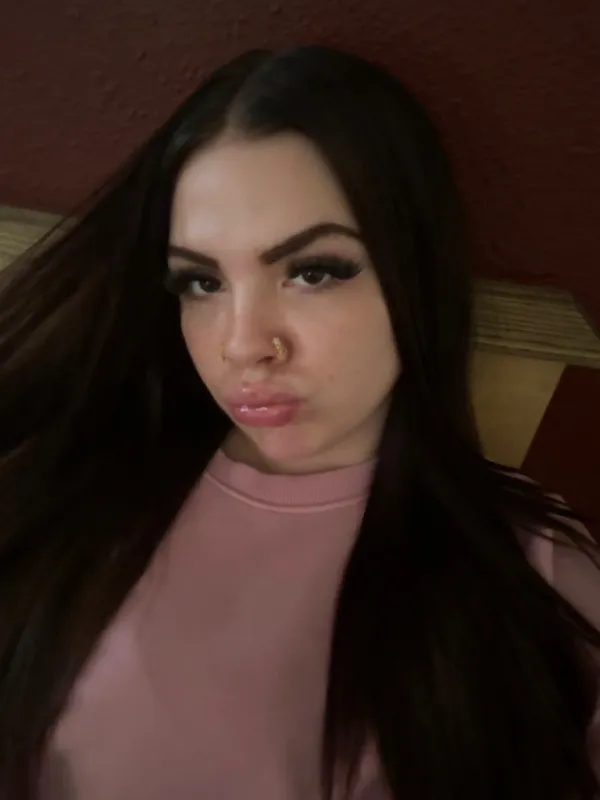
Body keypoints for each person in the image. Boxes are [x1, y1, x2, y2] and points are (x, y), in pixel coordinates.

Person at [0, 44, 599, 800]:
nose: (244, 344)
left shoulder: (536, 570)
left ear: (414, 273)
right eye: (201, 281)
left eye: (313, 271)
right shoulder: (59, 491)